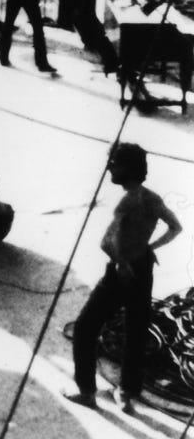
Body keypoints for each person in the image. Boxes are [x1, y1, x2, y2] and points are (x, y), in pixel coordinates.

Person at [67, 143, 183, 414]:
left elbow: (106, 241)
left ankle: (86, 392)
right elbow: (176, 227)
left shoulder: (127, 200)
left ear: (127, 168)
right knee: (136, 330)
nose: (110, 168)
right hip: (143, 268)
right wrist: (149, 248)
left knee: (85, 328)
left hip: (123, 272)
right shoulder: (153, 198)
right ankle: (127, 393)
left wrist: (121, 261)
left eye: (115, 164)